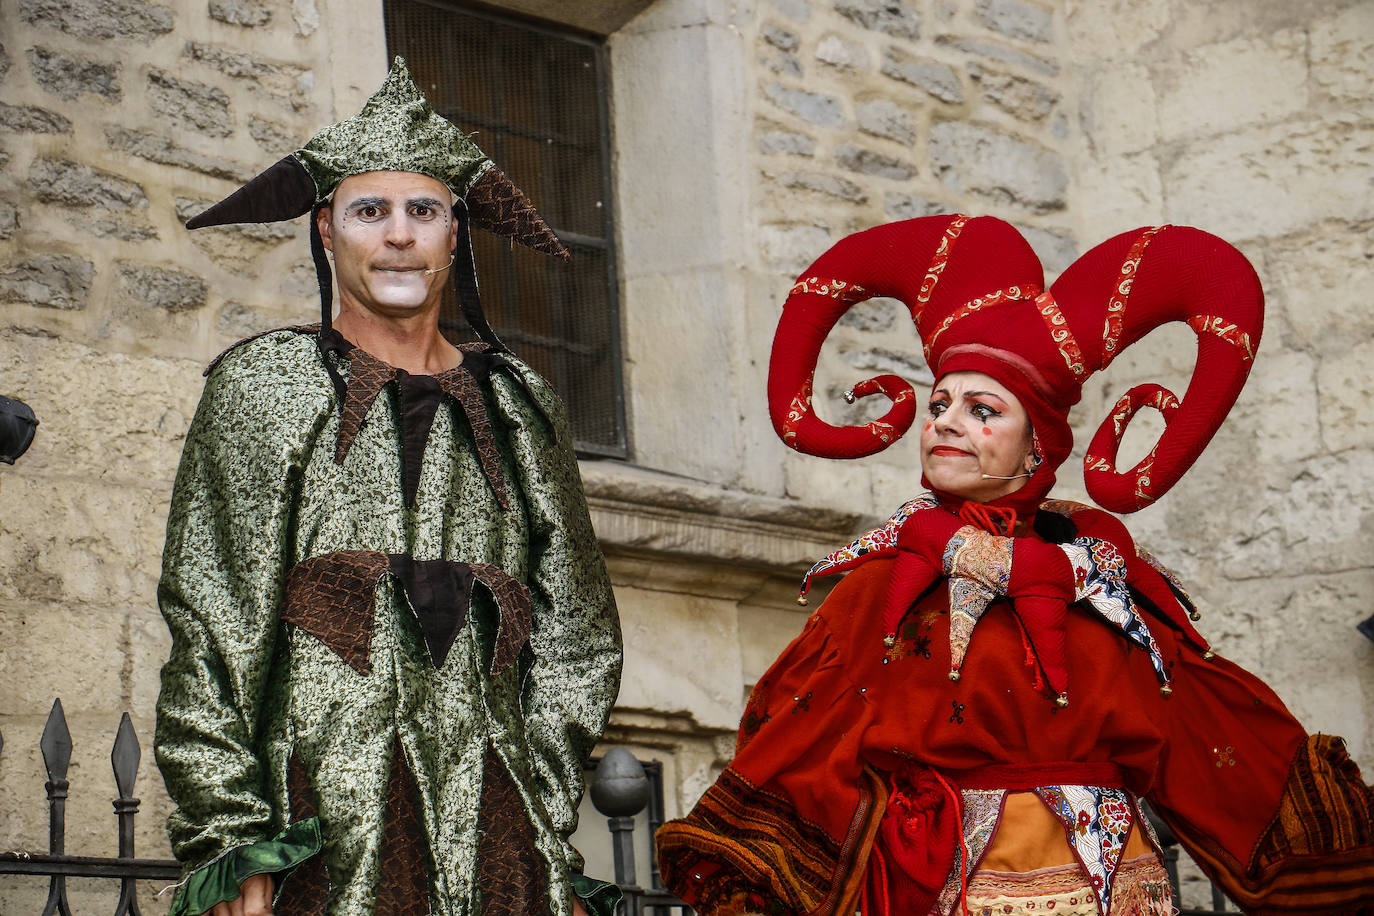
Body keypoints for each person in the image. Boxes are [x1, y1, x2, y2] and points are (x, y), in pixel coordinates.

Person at [656, 215, 1374, 915]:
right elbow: (798, 744)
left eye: (982, 410)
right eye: (940, 403)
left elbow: (1214, 737)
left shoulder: (1113, 592)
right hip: (948, 888)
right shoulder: (880, 591)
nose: (944, 421)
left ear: (1038, 447)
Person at [154, 59, 622, 916]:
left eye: (424, 211)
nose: (399, 236)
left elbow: (578, 628)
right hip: (321, 819)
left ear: (456, 234)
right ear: (327, 231)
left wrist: (539, 799)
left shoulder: (520, 404)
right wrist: (228, 831)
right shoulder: (265, 384)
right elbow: (214, 614)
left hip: (499, 824)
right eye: (370, 211)